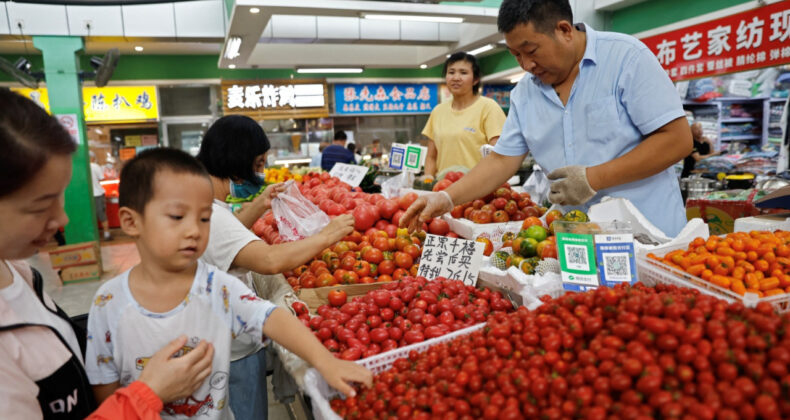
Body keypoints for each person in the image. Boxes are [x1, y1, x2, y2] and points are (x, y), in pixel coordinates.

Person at [85, 148, 372, 420]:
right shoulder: (108, 303)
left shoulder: (215, 286)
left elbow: (271, 318)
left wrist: (325, 361)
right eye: (177, 217)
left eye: (204, 218)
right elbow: (105, 388)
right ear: (131, 222)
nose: (194, 231)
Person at [0, 88, 215, 419]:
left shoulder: (18, 272)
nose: (63, 219)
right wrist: (149, 394)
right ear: (132, 221)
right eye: (41, 205)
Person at [401, 0, 692, 237]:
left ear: (564, 30)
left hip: (649, 236)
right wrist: (447, 198)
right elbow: (502, 160)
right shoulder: (525, 93)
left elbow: (677, 140)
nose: (526, 65)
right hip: (576, 241)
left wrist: (593, 178)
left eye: (531, 51)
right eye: (516, 55)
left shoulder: (627, 59)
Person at [196, 115, 357, 419]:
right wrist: (328, 235)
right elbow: (270, 261)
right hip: (231, 351)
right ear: (235, 163)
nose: (261, 172)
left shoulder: (208, 206)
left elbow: (225, 243)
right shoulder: (211, 214)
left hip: (222, 339)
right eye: (257, 164)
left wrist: (259, 204)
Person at [421, 52, 507, 179]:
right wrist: (428, 179)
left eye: (463, 73)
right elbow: (431, 157)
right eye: (451, 72)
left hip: (478, 188)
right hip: (443, 188)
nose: (456, 77)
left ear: (475, 79)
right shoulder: (438, 111)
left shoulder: (488, 107)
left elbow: (498, 155)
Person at [90, 151, 112, 241]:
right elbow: (102, 178)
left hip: (87, 195)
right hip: (97, 194)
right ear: (92, 158)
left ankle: (93, 235)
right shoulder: (95, 166)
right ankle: (106, 234)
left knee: (91, 215)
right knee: (101, 214)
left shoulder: (81, 167)